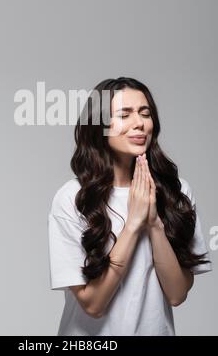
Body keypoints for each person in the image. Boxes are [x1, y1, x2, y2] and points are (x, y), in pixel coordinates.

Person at [47, 77, 212, 336]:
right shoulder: (73, 198)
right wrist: (134, 224)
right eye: (124, 114)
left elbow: (177, 294)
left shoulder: (175, 191)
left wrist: (154, 223)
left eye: (145, 113)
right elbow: (93, 304)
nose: (139, 123)